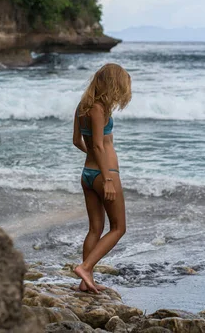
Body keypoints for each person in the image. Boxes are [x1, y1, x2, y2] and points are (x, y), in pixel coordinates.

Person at [72, 63, 132, 294]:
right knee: (118, 228)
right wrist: (107, 177)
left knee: (95, 229)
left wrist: (94, 164)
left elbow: (77, 141)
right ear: (113, 83)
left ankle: (85, 282)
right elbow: (97, 144)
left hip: (88, 174)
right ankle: (85, 268)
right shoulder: (99, 108)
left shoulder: (83, 106)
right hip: (104, 175)